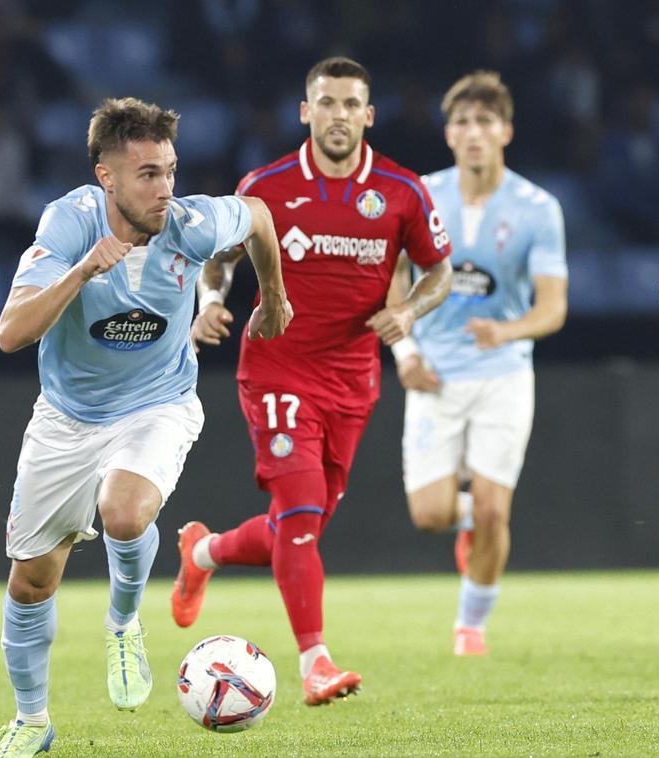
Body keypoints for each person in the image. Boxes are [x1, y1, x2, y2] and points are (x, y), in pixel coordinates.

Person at [0, 97, 291, 758]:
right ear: (106, 177)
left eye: (170, 170)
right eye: (148, 174)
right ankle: (32, 721)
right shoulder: (68, 223)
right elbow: (10, 333)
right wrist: (81, 272)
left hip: (158, 403)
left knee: (124, 512)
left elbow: (260, 217)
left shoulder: (191, 223)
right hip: (68, 416)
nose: (165, 188)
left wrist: (273, 294)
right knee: (32, 581)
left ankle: (123, 622)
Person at [170, 57, 453, 704]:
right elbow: (219, 260)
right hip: (277, 367)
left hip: (352, 380)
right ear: (305, 111)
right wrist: (209, 303)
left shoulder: (402, 190)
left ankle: (204, 553)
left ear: (368, 115)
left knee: (297, 527)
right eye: (326, 103)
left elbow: (439, 271)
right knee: (298, 512)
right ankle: (315, 663)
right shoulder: (265, 187)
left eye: (351, 104)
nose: (338, 115)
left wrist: (409, 312)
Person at [389, 71, 568, 656]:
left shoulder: (538, 208)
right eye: (462, 122)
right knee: (429, 515)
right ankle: (470, 521)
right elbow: (393, 280)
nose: (473, 133)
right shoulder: (419, 195)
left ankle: (471, 626)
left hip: (503, 374)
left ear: (506, 131)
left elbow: (553, 307)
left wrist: (507, 331)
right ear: (448, 134)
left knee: (495, 510)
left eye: (485, 122)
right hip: (434, 374)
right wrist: (405, 353)